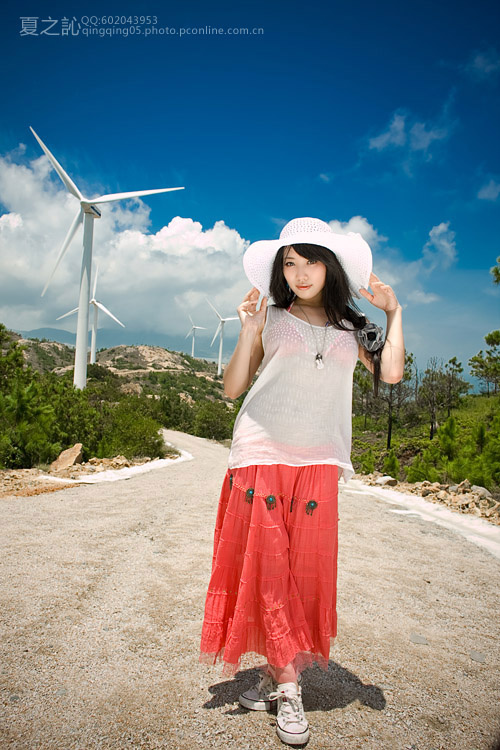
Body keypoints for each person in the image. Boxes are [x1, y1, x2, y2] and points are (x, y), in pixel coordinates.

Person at [200, 217, 404, 746]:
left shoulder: (354, 328)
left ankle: (273, 669)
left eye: (308, 260)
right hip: (260, 452)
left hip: (319, 461)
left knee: (302, 572)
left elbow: (391, 374)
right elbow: (232, 389)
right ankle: (289, 685)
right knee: (269, 566)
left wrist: (394, 312)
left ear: (329, 266)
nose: (298, 272)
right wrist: (248, 330)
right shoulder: (271, 318)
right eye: (288, 263)